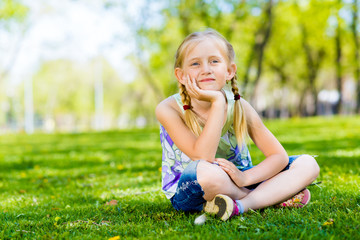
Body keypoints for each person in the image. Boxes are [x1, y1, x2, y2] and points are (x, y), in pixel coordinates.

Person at [156, 29, 320, 221]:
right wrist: (217, 103)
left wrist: (246, 178)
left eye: (214, 61)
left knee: (308, 164)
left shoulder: (240, 106)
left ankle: (241, 205)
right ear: (181, 75)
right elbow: (203, 156)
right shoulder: (168, 109)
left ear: (229, 71)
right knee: (207, 173)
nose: (206, 69)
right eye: (195, 63)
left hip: (240, 179)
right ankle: (272, 197)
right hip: (194, 186)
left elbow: (279, 156)